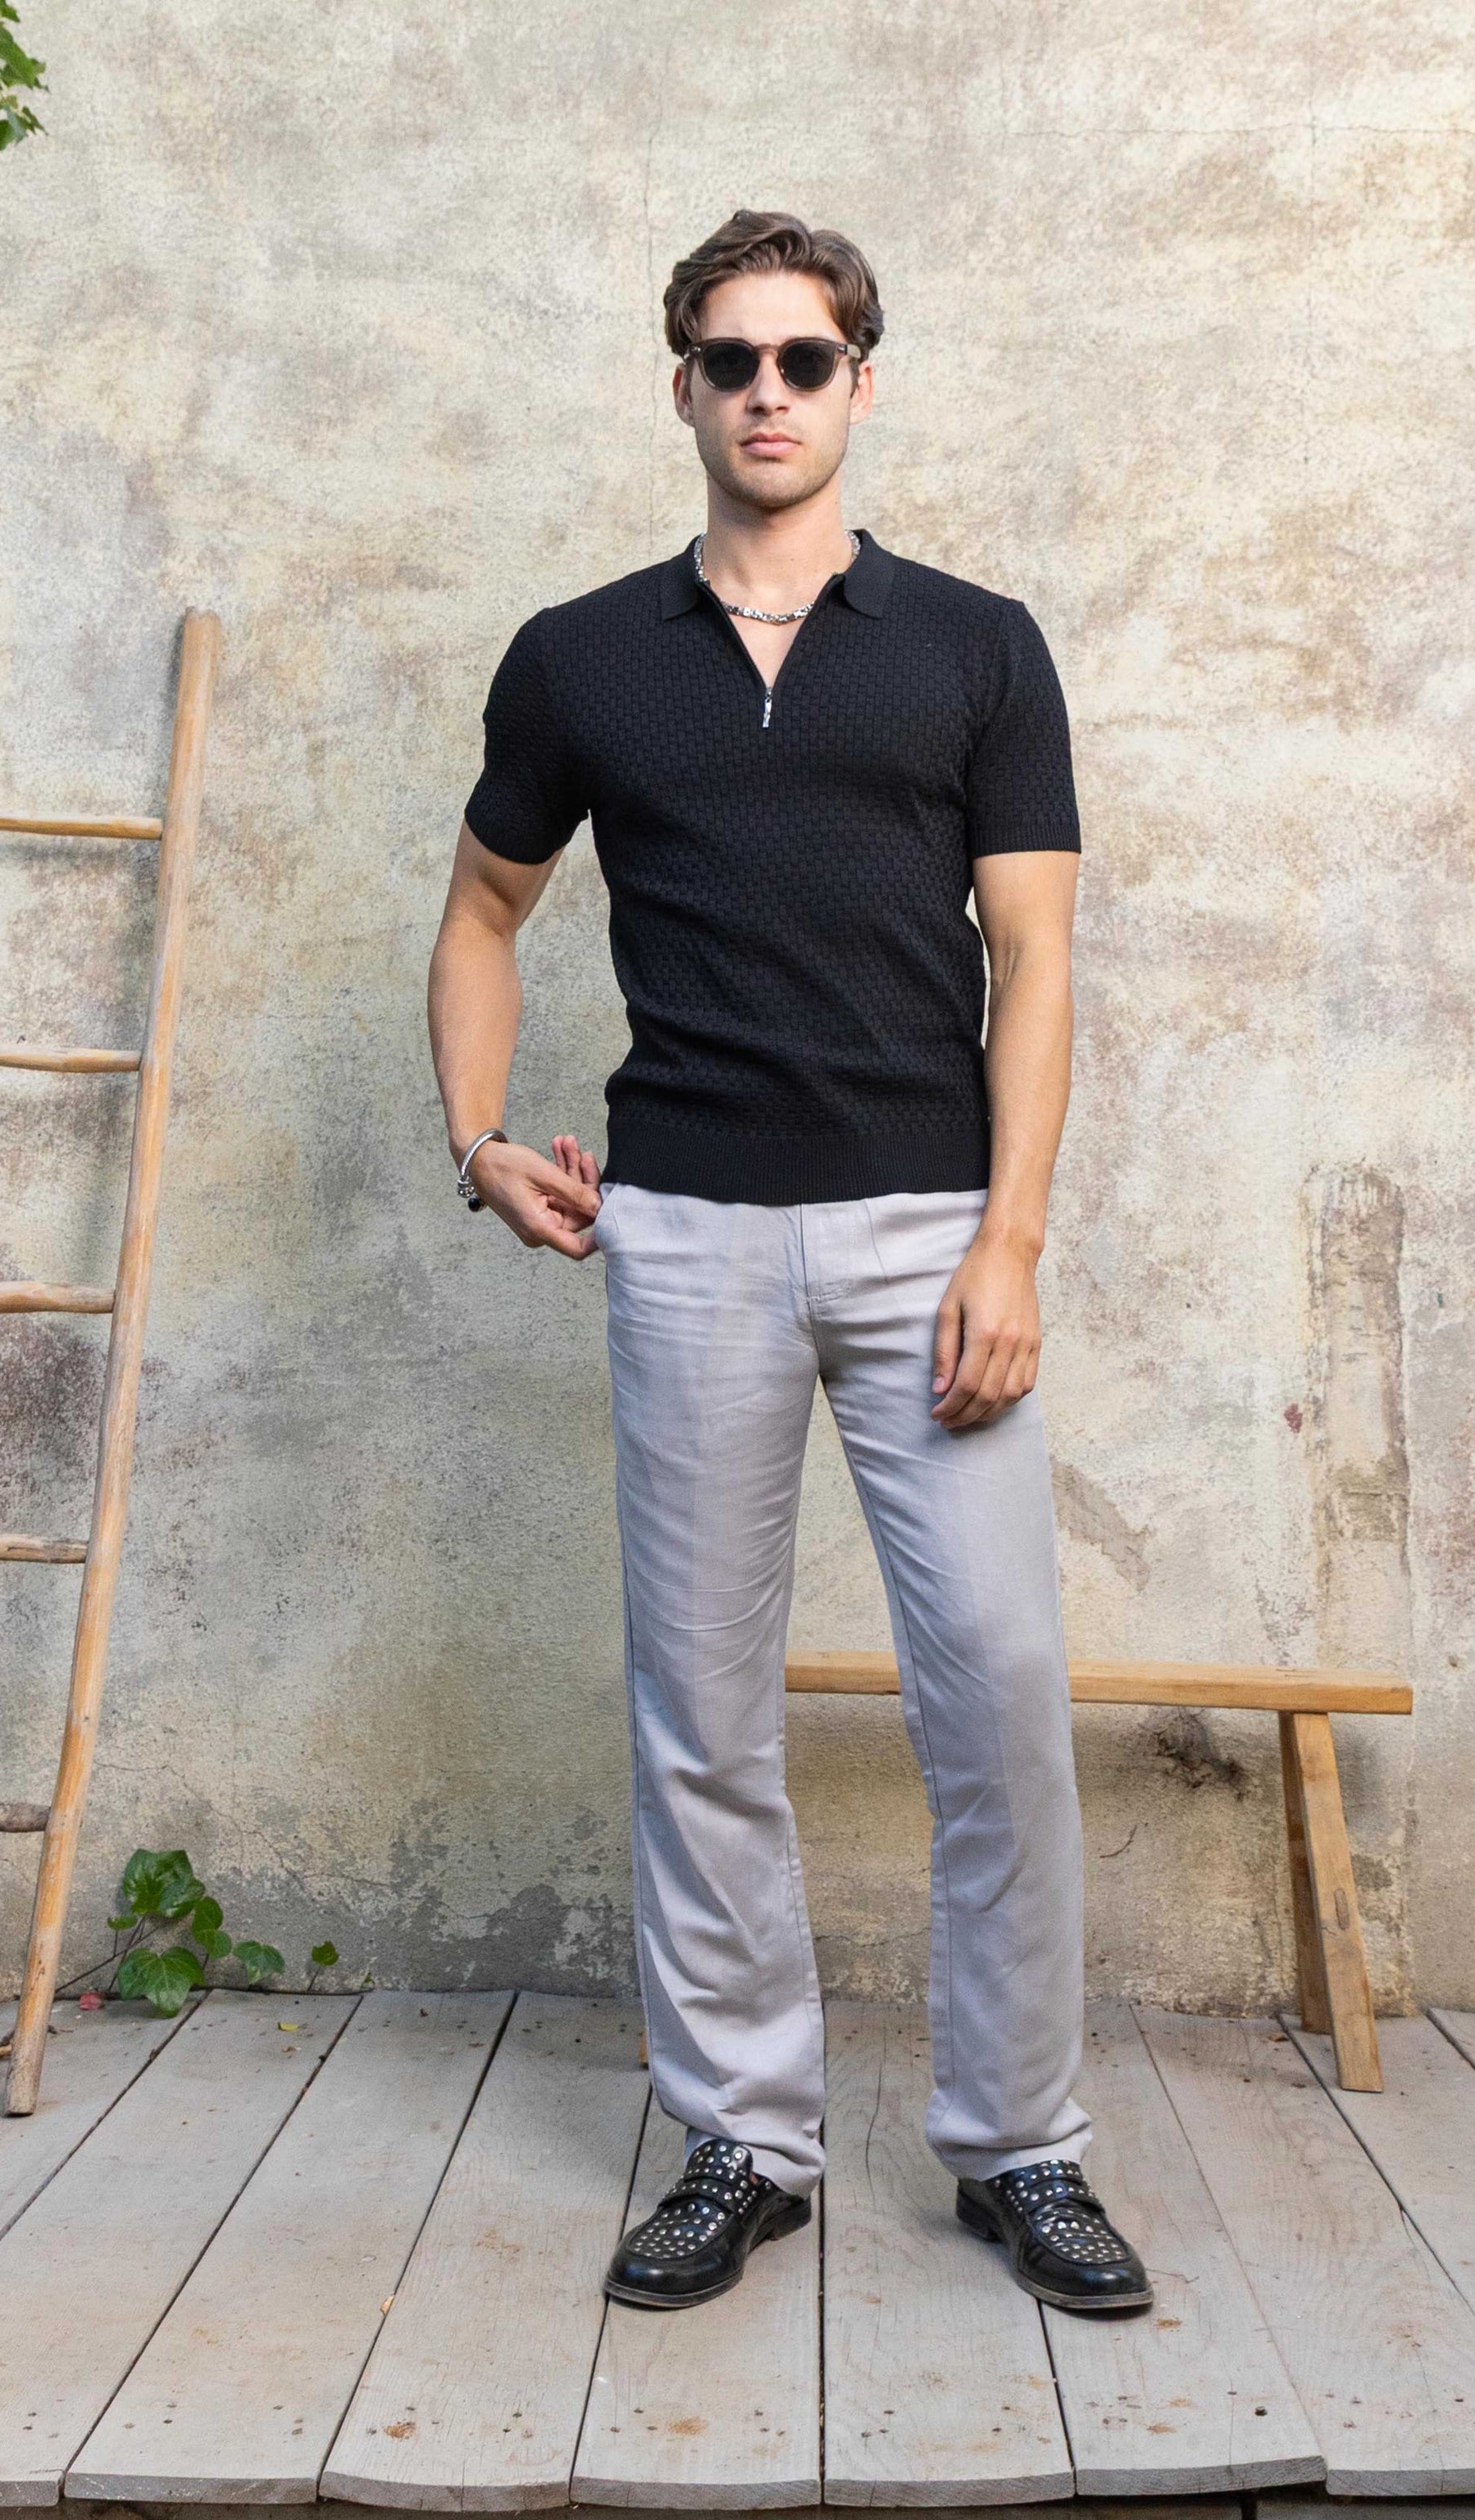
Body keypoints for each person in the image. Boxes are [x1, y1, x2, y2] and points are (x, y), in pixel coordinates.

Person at [427, 209, 1150, 2319]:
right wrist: (478, 1139)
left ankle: (1020, 2144)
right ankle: (742, 2138)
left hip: (929, 1231)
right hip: (683, 1233)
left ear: (858, 382)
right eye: (730, 358)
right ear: (681, 384)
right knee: (701, 1712)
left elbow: (1035, 961)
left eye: (804, 358)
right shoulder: (579, 655)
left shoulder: (976, 646)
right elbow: (482, 911)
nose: (767, 390)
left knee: (996, 1699)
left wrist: (1009, 1238)